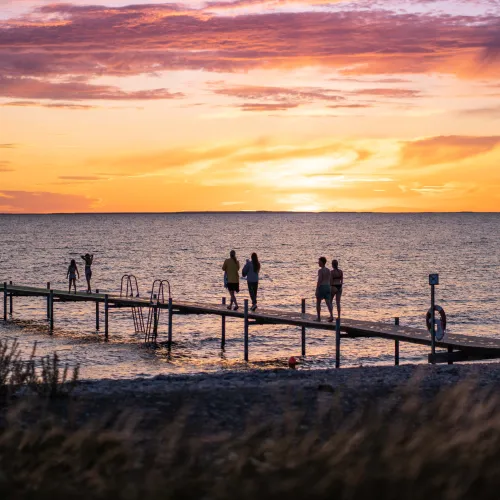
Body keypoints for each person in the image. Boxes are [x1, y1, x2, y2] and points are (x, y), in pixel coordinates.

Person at [315, 256, 333, 322]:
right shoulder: (328, 270)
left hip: (322, 286)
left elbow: (320, 280)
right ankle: (331, 316)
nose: (318, 263)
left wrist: (317, 289)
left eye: (319, 262)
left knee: (318, 302)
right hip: (328, 286)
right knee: (328, 302)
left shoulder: (320, 271)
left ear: (322, 262)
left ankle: (319, 318)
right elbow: (330, 279)